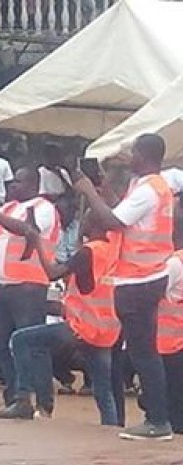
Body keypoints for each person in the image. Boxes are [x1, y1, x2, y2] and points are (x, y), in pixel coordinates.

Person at [75, 133, 176, 440]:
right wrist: (104, 191)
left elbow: (112, 222)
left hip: (139, 278)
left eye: (133, 152)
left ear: (143, 156)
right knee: (144, 350)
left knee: (144, 352)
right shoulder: (151, 187)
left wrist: (89, 192)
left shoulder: (148, 190)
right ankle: (157, 418)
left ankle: (157, 420)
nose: (128, 157)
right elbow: (125, 214)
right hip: (146, 275)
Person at [0, 226, 122, 425]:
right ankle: (111, 427)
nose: (85, 217)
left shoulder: (89, 251)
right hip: (105, 329)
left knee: (21, 339)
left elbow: (53, 273)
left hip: (81, 326)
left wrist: (37, 242)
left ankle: (23, 400)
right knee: (103, 389)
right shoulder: (114, 250)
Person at [0, 167, 59, 412]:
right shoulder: (9, 207)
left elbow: (24, 230)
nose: (13, 186)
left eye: (19, 181)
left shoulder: (43, 207)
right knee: (4, 345)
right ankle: (15, 397)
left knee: (31, 343)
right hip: (2, 285)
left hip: (28, 285)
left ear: (34, 184)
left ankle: (43, 399)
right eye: (12, 182)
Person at [161, 250, 183, 433]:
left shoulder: (174, 264)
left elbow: (155, 292)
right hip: (174, 340)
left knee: (171, 390)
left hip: (170, 340)